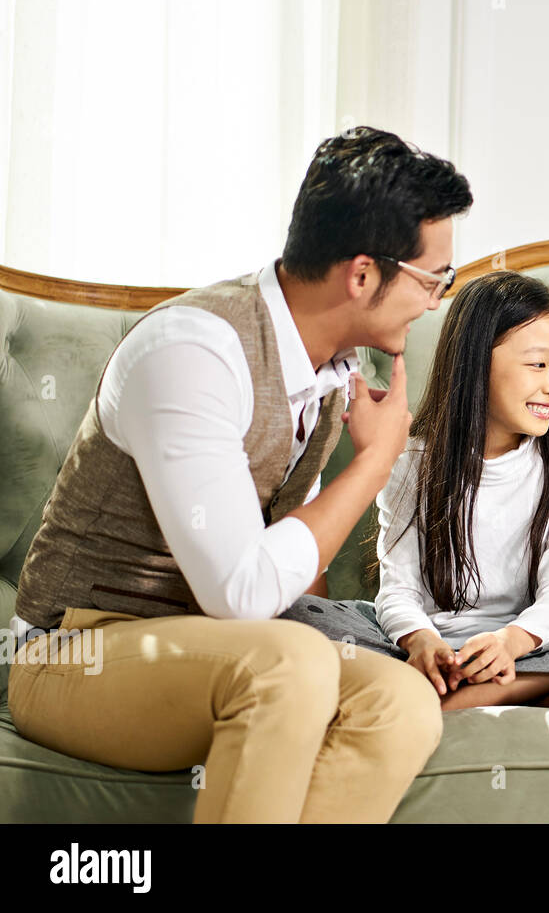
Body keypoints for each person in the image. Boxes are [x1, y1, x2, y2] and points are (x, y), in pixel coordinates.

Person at [7, 126, 469, 823]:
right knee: (288, 663)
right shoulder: (194, 352)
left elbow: (286, 568)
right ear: (364, 273)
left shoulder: (330, 372)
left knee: (399, 703)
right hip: (75, 652)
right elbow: (241, 593)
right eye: (435, 279)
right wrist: (376, 460)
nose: (437, 301)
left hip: (213, 653)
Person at [280, 270, 549, 710]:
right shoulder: (409, 462)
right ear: (476, 362)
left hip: (526, 645)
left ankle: (483, 688)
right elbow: (398, 587)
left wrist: (509, 642)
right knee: (296, 616)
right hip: (422, 644)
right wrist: (421, 642)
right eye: (538, 364)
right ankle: (516, 685)